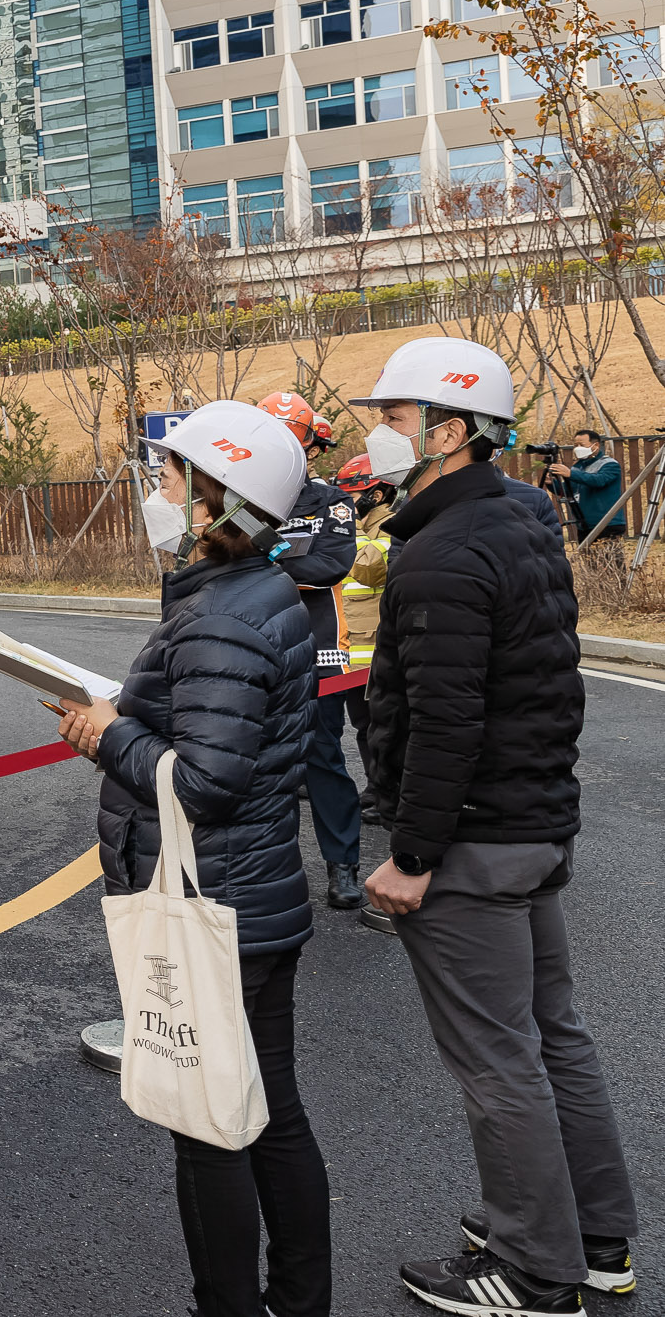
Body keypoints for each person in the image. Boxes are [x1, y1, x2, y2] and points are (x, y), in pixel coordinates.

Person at [353, 337, 638, 1314]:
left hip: (470, 841)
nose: (376, 436)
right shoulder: (519, 516)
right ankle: (595, 1241)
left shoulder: (441, 554)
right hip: (534, 823)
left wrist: (411, 855)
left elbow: (444, 722)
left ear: (448, 430)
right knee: (552, 1035)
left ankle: (532, 1268)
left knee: (496, 1057)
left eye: (391, 418)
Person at [55, 399, 329, 1317]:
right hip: (256, 893)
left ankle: (228, 1305)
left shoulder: (219, 615)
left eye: (171, 479)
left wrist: (107, 736)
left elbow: (202, 781)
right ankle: (298, 1298)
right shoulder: (260, 595)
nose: (158, 493)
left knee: (208, 1127)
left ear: (217, 501)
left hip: (215, 902)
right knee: (270, 1109)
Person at [259, 390, 365, 911]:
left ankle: (343, 864)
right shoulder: (238, 500)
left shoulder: (331, 502)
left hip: (318, 647)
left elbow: (331, 566)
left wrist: (260, 565)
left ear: (308, 447)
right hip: (251, 648)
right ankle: (261, 870)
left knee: (321, 757)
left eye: (292, 439)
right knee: (253, 760)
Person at [330, 453, 395, 826]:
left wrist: (343, 534)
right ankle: (375, 787)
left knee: (383, 725)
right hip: (352, 646)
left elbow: (369, 567)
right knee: (364, 725)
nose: (349, 501)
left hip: (377, 649)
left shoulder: (391, 524)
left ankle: (389, 793)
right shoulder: (363, 525)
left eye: (357, 493)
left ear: (380, 492)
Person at [549, 429, 626, 550]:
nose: (577, 448)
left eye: (581, 445)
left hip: (607, 523)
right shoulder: (577, 467)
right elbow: (568, 491)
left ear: (595, 445)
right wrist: (551, 483)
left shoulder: (610, 464)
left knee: (610, 564)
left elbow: (599, 481)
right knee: (589, 564)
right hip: (584, 525)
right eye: (576, 445)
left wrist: (570, 474)